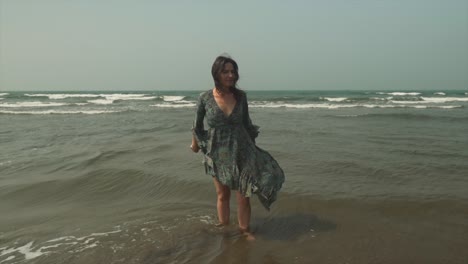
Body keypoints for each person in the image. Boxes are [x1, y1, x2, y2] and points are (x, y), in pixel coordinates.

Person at [191, 55, 284, 238]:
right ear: (216, 73)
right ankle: (224, 227)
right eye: (225, 71)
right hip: (217, 151)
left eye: (233, 71)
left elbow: (247, 124)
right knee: (222, 194)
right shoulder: (205, 98)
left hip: (242, 150)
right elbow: (197, 125)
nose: (230, 75)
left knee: (244, 194)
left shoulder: (241, 97)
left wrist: (254, 152)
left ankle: (244, 230)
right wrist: (195, 144)